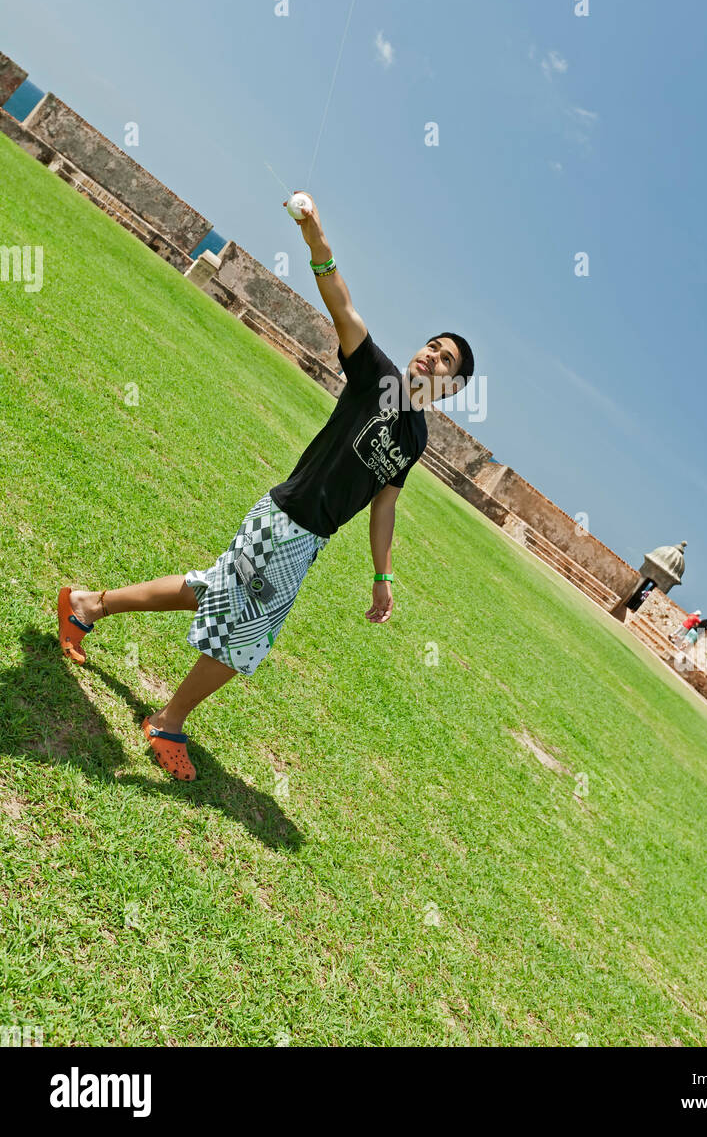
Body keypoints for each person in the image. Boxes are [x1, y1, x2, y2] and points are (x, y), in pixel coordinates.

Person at [56, 193, 475, 781]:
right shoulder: (378, 379)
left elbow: (385, 506)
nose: (432, 356)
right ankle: (167, 722)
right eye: (432, 345)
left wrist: (382, 576)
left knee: (207, 591)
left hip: (308, 540)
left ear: (453, 389)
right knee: (247, 638)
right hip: (285, 519)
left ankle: (86, 605)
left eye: (446, 359)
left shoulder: (415, 436)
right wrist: (315, 236)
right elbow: (343, 307)